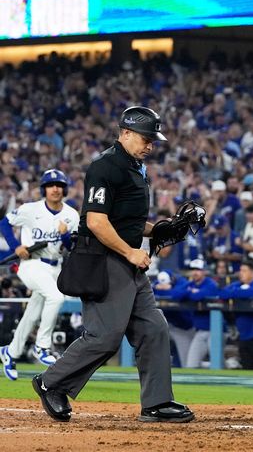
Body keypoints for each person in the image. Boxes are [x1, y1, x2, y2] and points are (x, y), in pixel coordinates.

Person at [31, 107, 194, 423]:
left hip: (128, 262)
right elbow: (96, 222)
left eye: (152, 140)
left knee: (153, 327)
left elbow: (126, 220)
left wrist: (160, 228)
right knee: (105, 337)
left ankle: (157, 403)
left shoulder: (135, 167)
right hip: (103, 260)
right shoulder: (105, 166)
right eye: (146, 138)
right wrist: (131, 252)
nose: (150, 145)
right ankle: (50, 382)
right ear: (126, 133)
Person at [0, 169, 79, 381]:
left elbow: (71, 245)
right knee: (56, 297)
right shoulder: (29, 209)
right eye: (51, 185)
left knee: (33, 312)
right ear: (44, 189)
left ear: (64, 189)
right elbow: (4, 223)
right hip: (31, 264)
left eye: (59, 185)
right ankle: (42, 346)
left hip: (55, 266)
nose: (55, 189)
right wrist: (16, 246)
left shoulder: (71, 215)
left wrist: (64, 235)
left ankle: (10, 352)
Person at [218, 258, 253, 370]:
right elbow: (222, 293)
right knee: (247, 370)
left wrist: (235, 293)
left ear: (252, 273)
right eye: (240, 270)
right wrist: (239, 292)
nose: (240, 273)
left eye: (244, 271)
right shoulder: (238, 284)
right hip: (244, 336)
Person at [171, 258, 219, 368]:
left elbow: (198, 296)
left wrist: (190, 293)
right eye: (193, 269)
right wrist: (190, 291)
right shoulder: (190, 284)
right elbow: (174, 294)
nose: (195, 272)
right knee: (191, 365)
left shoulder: (210, 284)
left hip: (215, 330)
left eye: (198, 269)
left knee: (217, 364)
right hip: (200, 331)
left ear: (204, 271)